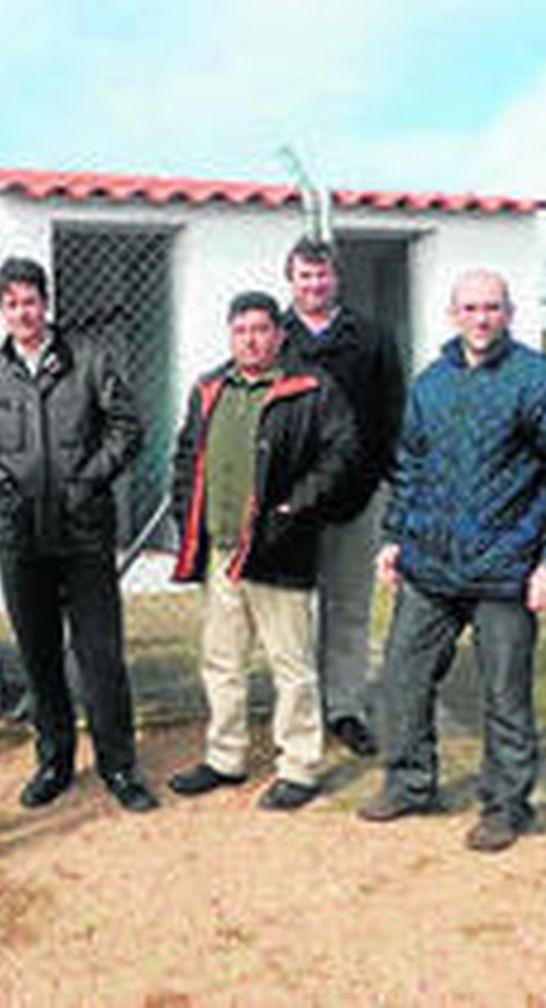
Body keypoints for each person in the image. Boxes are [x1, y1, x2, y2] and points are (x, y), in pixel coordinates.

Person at [359, 269, 546, 852]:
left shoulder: (542, 383)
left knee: (504, 693)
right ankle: (411, 783)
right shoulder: (431, 384)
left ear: (510, 313)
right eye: (470, 307)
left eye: (492, 307)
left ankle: (506, 806)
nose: (481, 318)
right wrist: (394, 538)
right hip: (431, 567)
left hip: (508, 570)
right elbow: (410, 467)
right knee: (401, 680)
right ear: (452, 314)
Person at [0, 256, 158, 814]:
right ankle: (53, 760)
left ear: (45, 304)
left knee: (100, 654)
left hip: (83, 531)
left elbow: (128, 427)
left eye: (31, 301)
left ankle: (119, 766)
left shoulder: (90, 360)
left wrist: (90, 478)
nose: (23, 312)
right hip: (19, 533)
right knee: (39, 653)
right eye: (12, 303)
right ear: (1, 310)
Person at [166, 292, 361, 810]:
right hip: (221, 551)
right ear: (230, 335)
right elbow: (187, 456)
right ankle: (225, 757)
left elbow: (341, 455)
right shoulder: (209, 389)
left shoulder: (311, 388)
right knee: (222, 661)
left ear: (279, 334)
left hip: (279, 549)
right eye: (241, 330)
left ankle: (299, 766)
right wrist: (184, 510)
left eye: (260, 329)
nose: (250, 339)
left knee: (290, 663)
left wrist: (293, 510)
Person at [279, 237, 406, 758]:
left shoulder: (373, 338)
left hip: (357, 496)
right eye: (305, 276)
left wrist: (392, 488)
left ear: (337, 279)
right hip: (289, 502)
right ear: (291, 280)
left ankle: (345, 708)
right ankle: (299, 712)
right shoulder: (272, 337)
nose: (314, 285)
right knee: (290, 614)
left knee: (348, 608)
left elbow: (393, 417)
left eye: (323, 275)